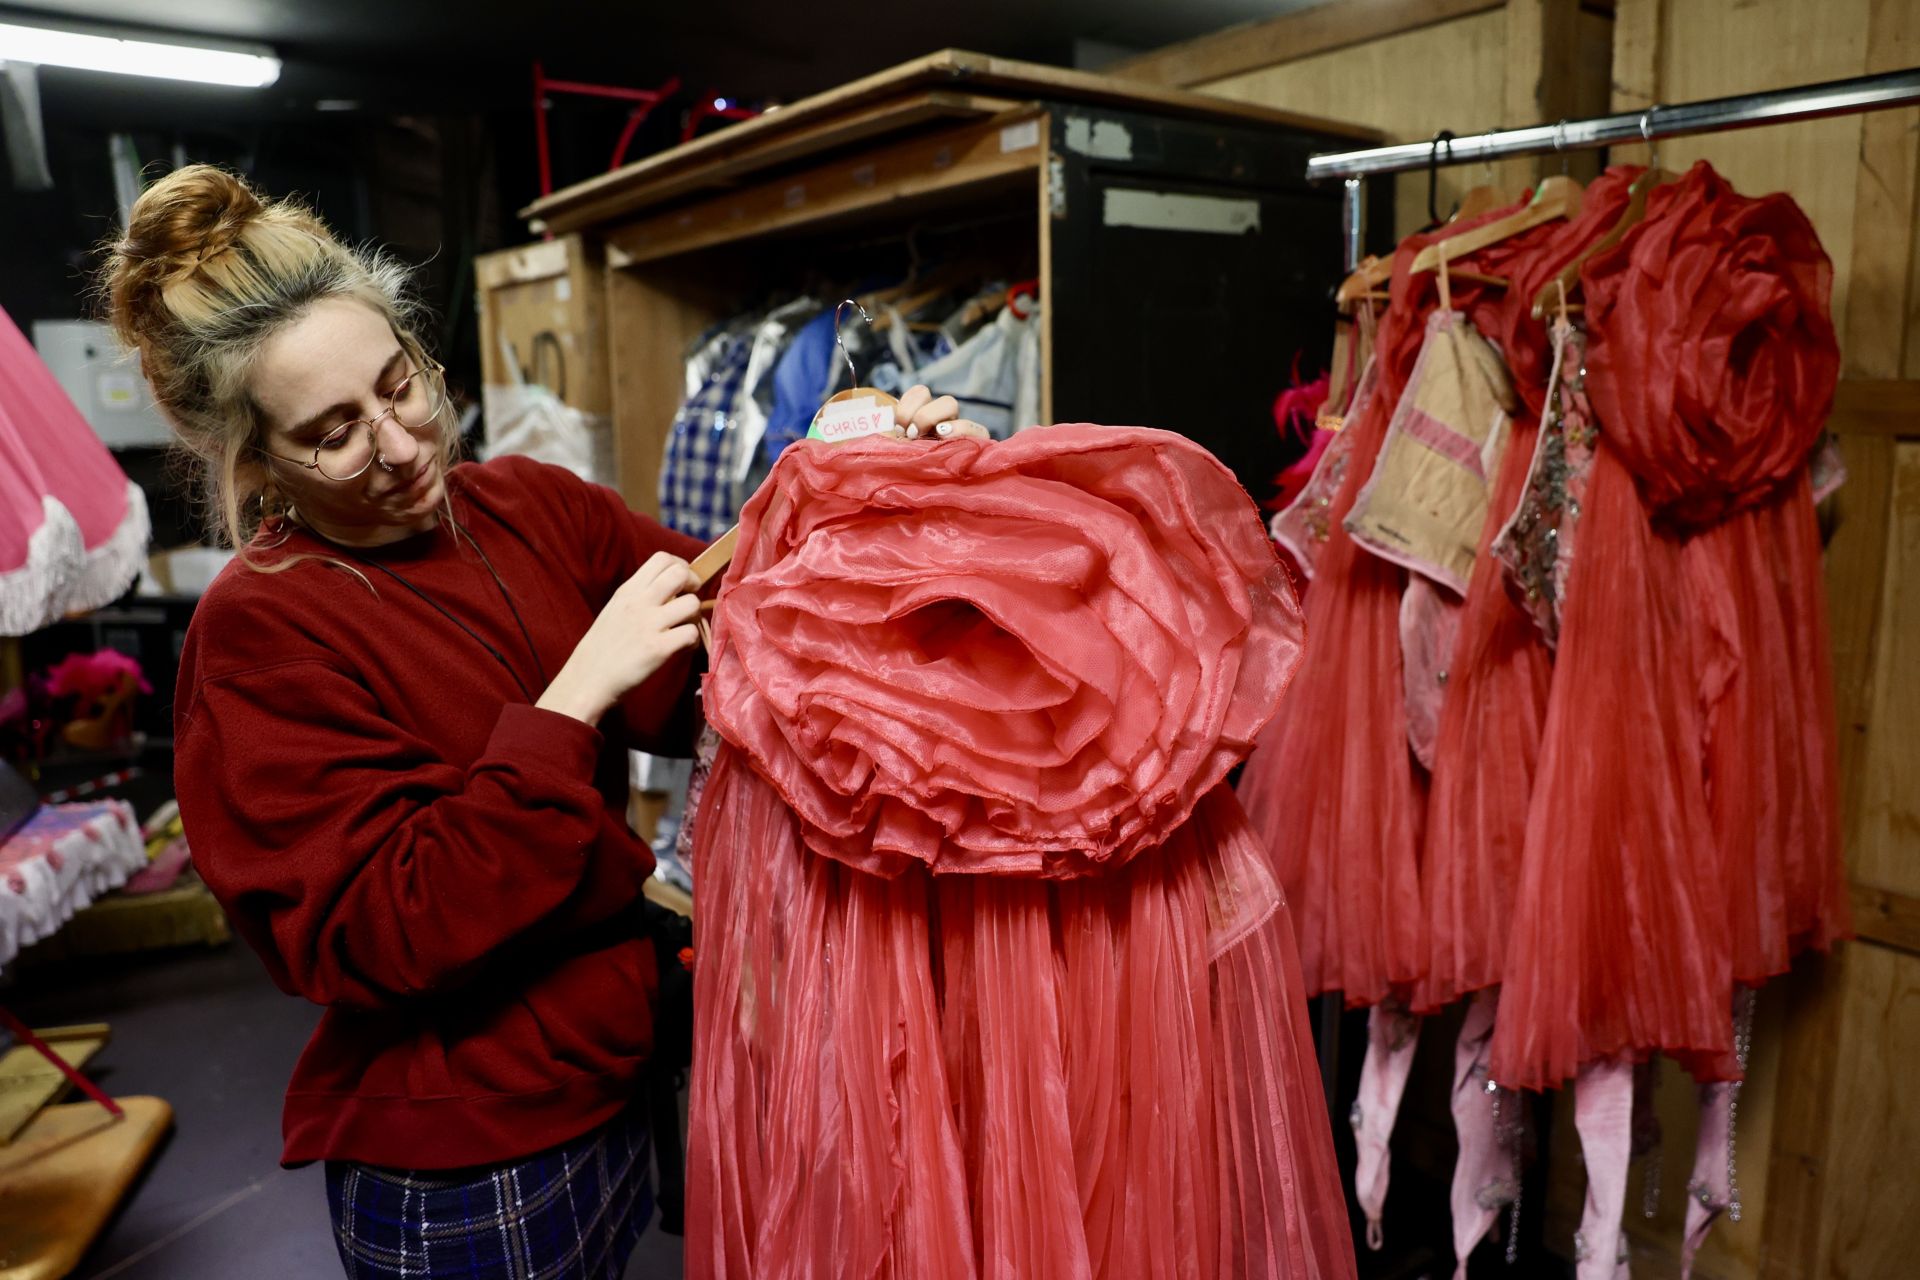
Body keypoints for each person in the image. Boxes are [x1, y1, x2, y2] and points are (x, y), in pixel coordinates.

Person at [101, 164, 982, 1280]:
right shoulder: (260, 629)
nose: (402, 443)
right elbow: (379, 925)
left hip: (609, 1074)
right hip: (463, 1156)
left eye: (399, 383)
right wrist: (573, 698)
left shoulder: (524, 505)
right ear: (256, 460)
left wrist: (869, 488)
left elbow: (742, 629)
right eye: (333, 432)